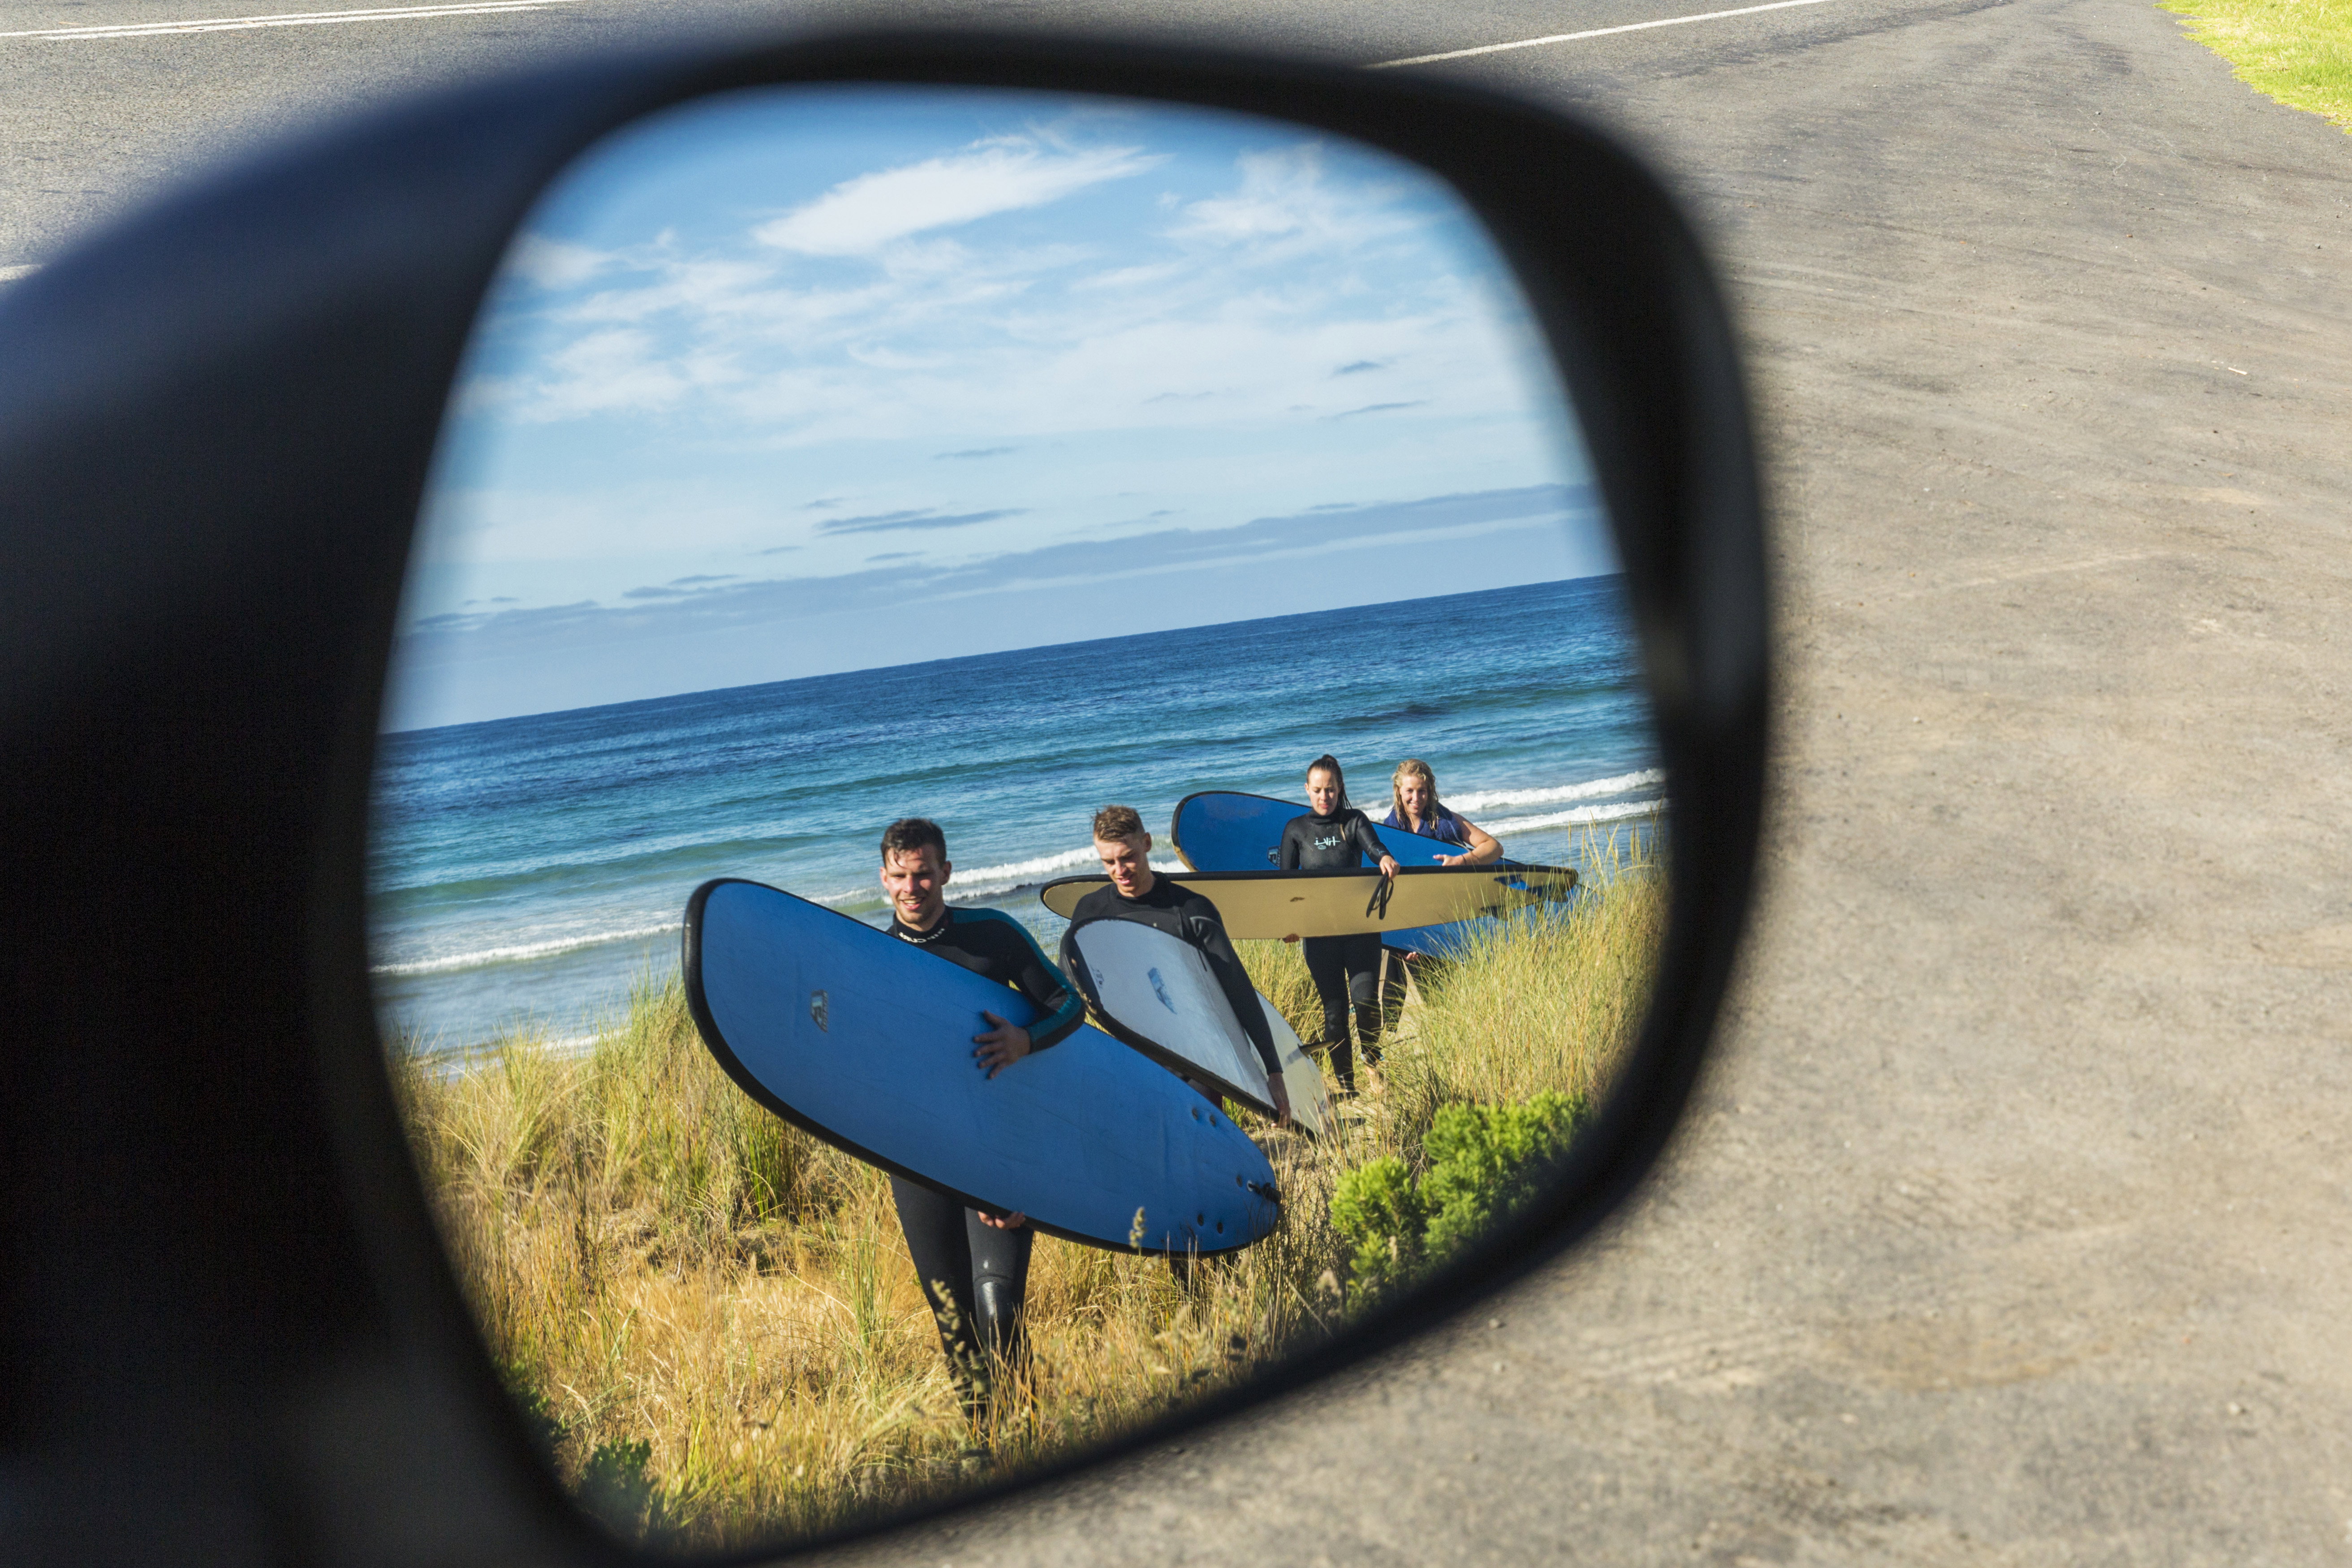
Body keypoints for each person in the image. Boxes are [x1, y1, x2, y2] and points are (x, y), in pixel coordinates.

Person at [874, 816, 1085, 1424]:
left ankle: (1024, 1443)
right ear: (883, 878)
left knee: (998, 1308)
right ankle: (989, 1446)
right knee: (954, 1321)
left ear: (946, 872)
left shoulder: (991, 934)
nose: (912, 888)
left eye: (923, 875)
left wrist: (1026, 1039)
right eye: (900, 876)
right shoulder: (871, 958)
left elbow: (1067, 1004)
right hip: (920, 1160)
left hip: (1002, 1148)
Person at [1060, 804, 1292, 1129]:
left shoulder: (1191, 910)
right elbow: (1071, 989)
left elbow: (1237, 988)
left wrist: (1273, 1070)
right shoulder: (1090, 913)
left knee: (1209, 1154)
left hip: (1197, 1063)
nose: (1120, 870)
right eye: (1108, 862)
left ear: (1148, 843)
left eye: (1128, 857)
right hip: (1132, 1062)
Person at [1278, 755, 1399, 1094]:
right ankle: (1347, 1085)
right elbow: (1284, 886)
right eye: (1317, 790)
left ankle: (1373, 1066)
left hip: (1360, 932)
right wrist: (1288, 923)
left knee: (1365, 1003)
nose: (1324, 797)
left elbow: (1374, 847)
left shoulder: (1354, 821)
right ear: (1307, 789)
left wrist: (1385, 858)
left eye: (1330, 790)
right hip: (1320, 936)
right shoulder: (1296, 830)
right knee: (1334, 1013)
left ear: (1340, 787)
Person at [1383, 758, 1503, 866]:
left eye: (1422, 791)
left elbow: (1495, 847)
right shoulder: (1389, 827)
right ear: (1399, 790)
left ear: (1429, 791)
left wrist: (1461, 861)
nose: (1416, 798)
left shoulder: (1448, 821)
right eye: (1410, 791)